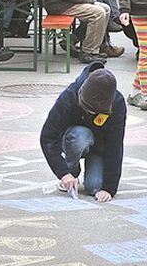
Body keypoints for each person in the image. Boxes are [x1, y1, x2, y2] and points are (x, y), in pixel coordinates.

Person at [40, 63, 126, 202]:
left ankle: (92, 167)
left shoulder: (117, 103)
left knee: (94, 187)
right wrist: (64, 173)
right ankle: (72, 171)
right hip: (73, 139)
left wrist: (109, 188)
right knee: (79, 136)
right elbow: (47, 137)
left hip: (98, 147)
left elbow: (115, 145)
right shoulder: (69, 96)